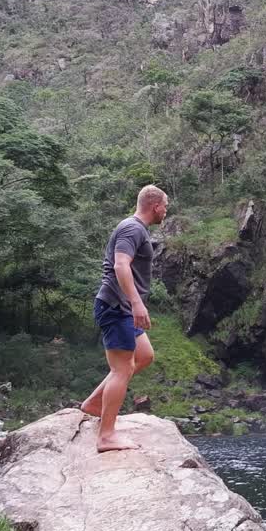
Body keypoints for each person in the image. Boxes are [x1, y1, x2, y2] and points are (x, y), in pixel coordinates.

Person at [81, 184, 168, 452]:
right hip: (117, 307)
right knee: (122, 368)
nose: (166, 211)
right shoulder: (132, 228)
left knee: (144, 356)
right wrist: (136, 302)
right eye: (166, 206)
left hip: (123, 308)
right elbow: (120, 264)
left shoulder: (137, 229)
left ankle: (94, 404)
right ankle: (106, 436)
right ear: (156, 206)